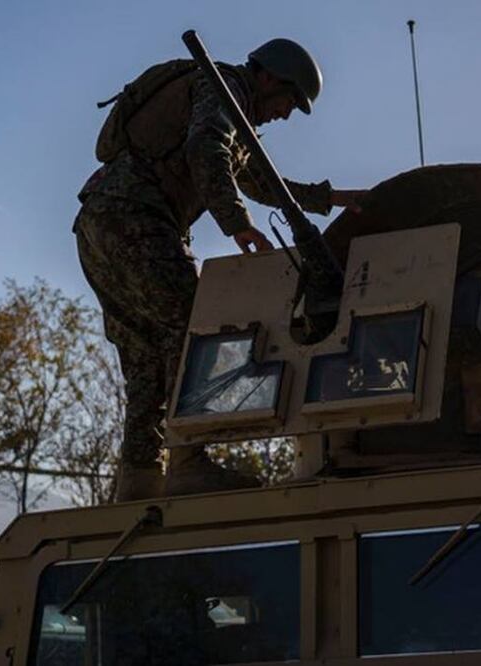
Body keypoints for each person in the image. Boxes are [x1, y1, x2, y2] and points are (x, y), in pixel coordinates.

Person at [74, 37, 365, 501]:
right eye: (289, 100)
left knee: (147, 351)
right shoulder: (223, 89)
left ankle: (139, 479)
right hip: (136, 216)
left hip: (99, 220)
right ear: (269, 78)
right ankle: (188, 460)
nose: (287, 114)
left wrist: (330, 199)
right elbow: (206, 150)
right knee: (196, 326)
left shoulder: (227, 105)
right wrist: (237, 225)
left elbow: (258, 181)